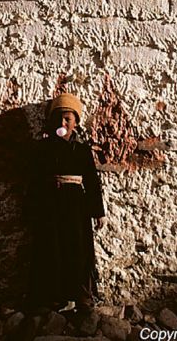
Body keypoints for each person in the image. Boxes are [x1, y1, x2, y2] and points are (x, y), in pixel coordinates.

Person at [25, 92, 106, 312]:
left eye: (67, 119)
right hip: (50, 205)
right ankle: (53, 296)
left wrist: (97, 211)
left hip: (76, 206)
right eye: (58, 118)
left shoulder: (81, 150)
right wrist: (33, 208)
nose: (62, 123)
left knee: (78, 249)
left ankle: (81, 295)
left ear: (75, 123)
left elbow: (91, 181)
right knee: (52, 248)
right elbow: (34, 179)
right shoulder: (43, 149)